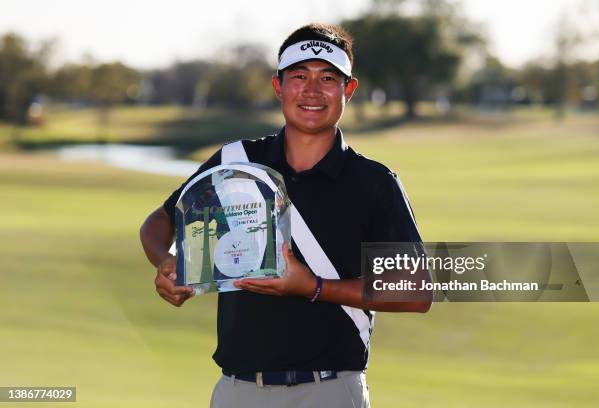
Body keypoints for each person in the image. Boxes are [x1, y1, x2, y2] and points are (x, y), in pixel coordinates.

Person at [140, 23, 432, 408]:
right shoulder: (235, 161)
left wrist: (312, 286)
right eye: (299, 76)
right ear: (278, 86)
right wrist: (167, 262)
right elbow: (159, 222)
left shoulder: (374, 183)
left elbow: (414, 291)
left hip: (329, 390)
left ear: (348, 89)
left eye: (328, 78)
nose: (312, 90)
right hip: (236, 390)